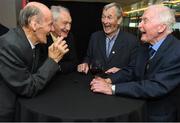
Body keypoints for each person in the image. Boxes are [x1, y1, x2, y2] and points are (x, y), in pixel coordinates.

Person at [90, 5, 180, 121]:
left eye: (145, 20)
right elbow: (132, 70)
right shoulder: (144, 46)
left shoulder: (177, 52)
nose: (139, 25)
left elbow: (155, 86)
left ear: (161, 27)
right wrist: (109, 80)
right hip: (138, 107)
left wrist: (112, 88)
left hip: (158, 116)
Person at [0, 2, 69, 121]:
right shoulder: (9, 45)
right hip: (8, 113)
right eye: (50, 24)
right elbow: (29, 87)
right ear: (34, 24)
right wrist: (53, 60)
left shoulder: (35, 42)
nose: (52, 29)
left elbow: (35, 74)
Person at [77, 2, 139, 74]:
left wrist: (121, 71)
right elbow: (88, 57)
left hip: (118, 84)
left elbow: (134, 70)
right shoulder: (95, 37)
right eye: (103, 17)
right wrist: (85, 63)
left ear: (119, 20)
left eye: (109, 17)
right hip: (95, 82)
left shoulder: (132, 41)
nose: (105, 21)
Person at [39, 5, 78, 73]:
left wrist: (57, 67)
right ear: (53, 23)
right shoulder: (42, 37)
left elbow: (74, 63)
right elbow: (40, 66)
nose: (68, 28)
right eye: (65, 23)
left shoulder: (69, 36)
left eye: (70, 23)